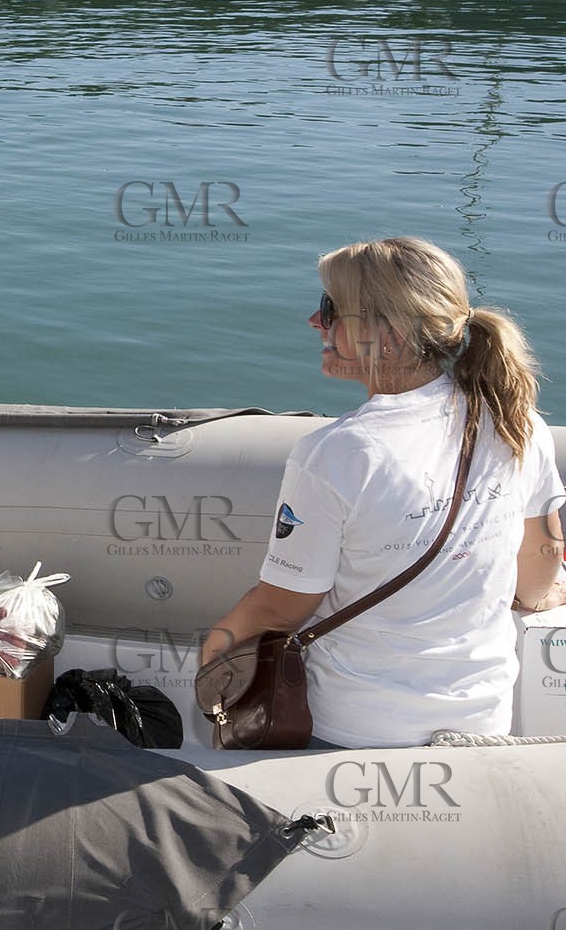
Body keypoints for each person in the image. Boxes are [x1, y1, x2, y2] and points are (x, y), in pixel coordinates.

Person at [203, 237, 565, 748]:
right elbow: (541, 559)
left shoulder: (336, 454)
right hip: (482, 721)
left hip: (353, 729)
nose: (314, 321)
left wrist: (214, 650)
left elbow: (281, 607)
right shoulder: (516, 423)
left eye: (330, 310)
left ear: (385, 334)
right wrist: (540, 595)